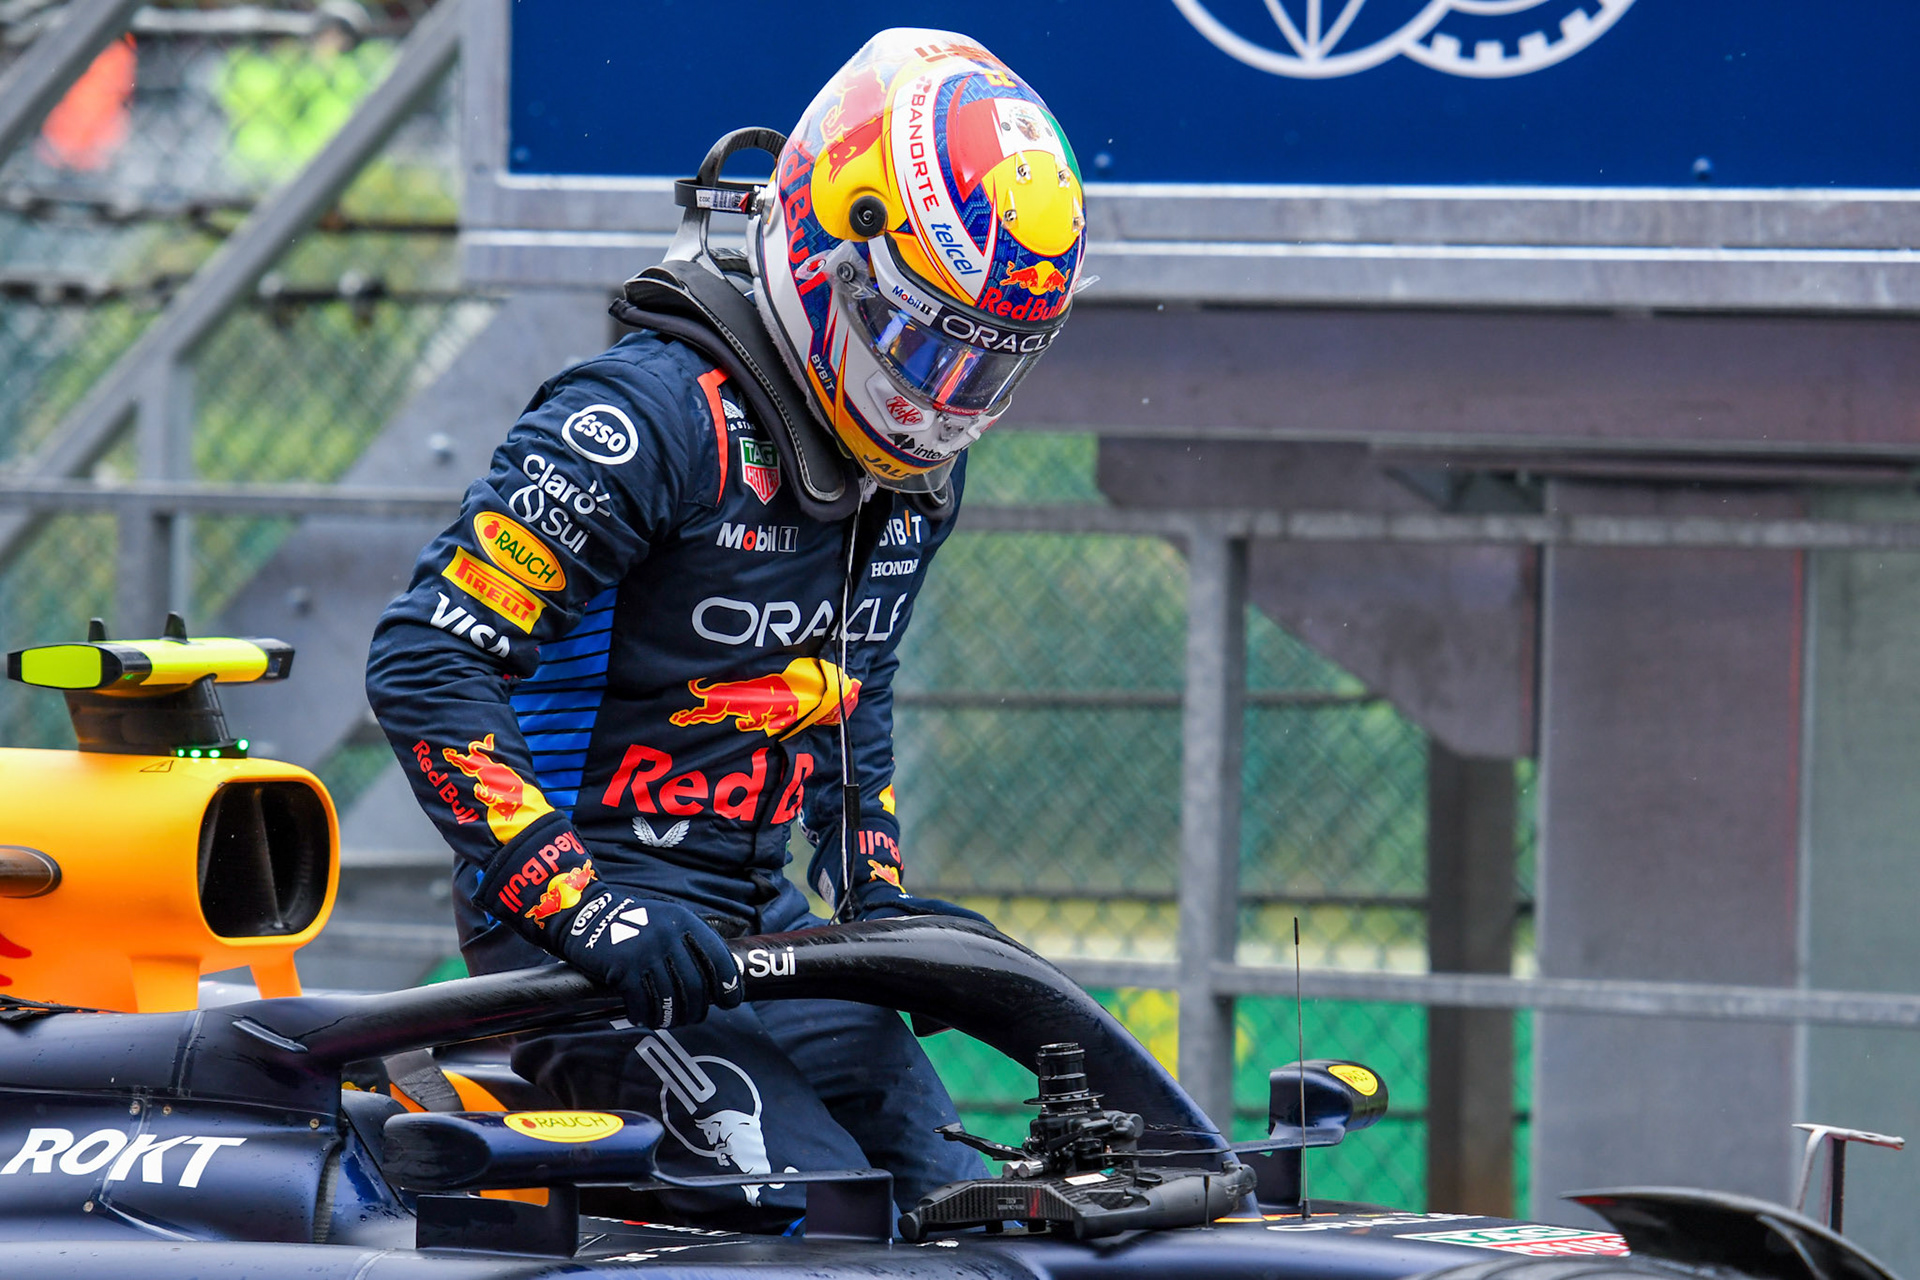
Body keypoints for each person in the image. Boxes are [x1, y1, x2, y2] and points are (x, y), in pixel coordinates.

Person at [365, 27, 1087, 1229]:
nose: (939, 396)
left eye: (980, 361)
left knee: (967, 1202)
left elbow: (857, 687)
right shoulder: (641, 422)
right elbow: (426, 659)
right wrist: (582, 903)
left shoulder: (917, 474)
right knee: (812, 1209)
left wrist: (879, 898)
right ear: (824, 244)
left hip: (766, 931)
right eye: (919, 337)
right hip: (586, 932)